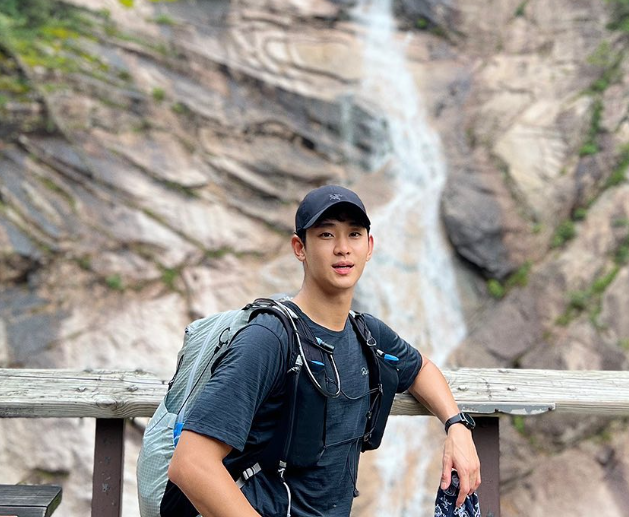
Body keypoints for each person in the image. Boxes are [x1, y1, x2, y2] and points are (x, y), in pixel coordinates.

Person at [166, 184, 481, 517]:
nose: (343, 249)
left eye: (354, 234)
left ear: (369, 247)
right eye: (326, 235)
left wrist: (457, 426)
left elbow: (420, 368)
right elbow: (191, 464)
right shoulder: (269, 338)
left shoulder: (367, 334)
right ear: (299, 248)